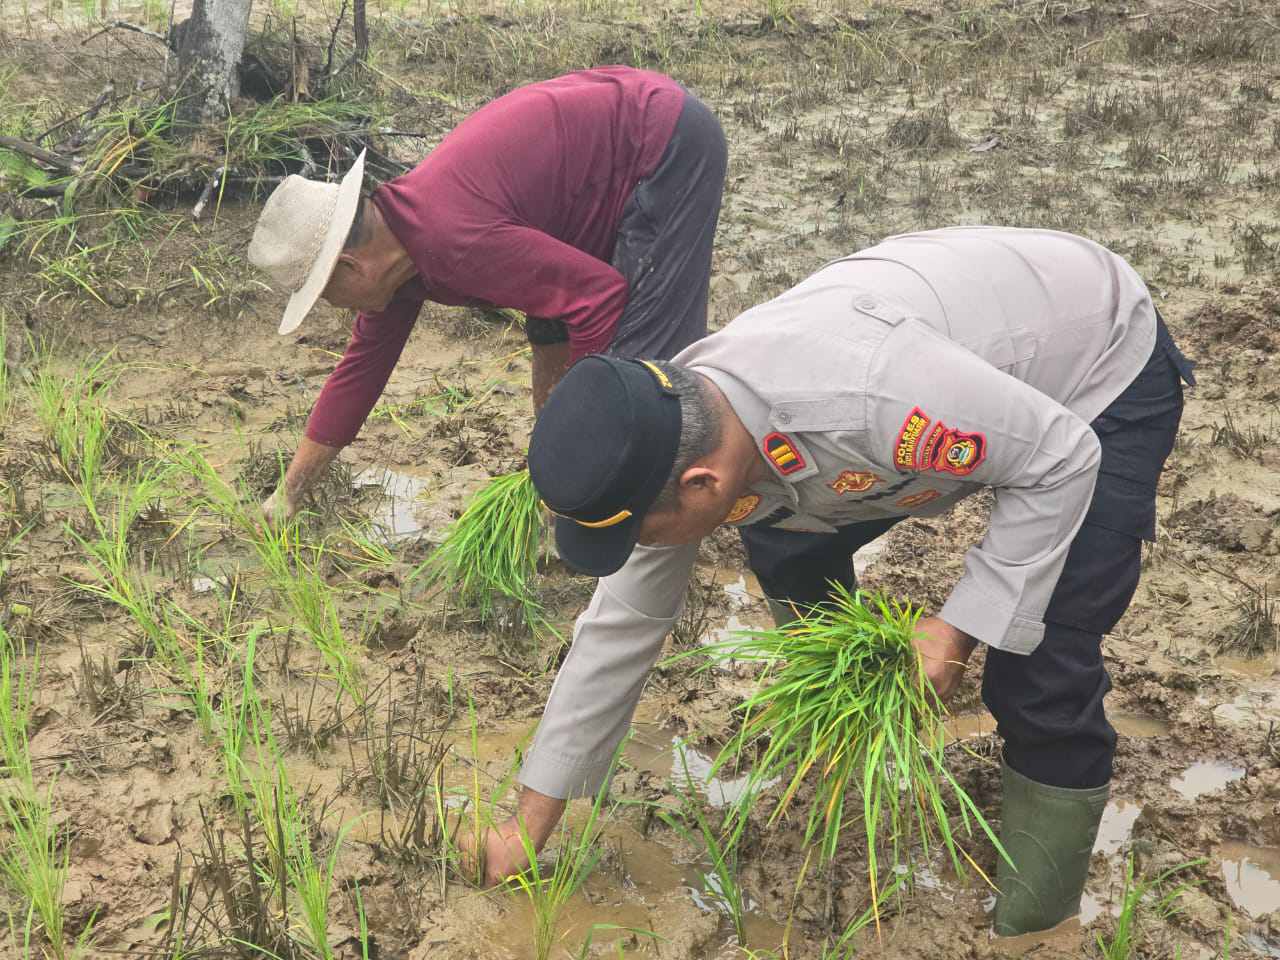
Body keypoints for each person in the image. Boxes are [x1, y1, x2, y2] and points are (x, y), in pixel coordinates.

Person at [500, 227, 1196, 937]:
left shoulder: (866, 399)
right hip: (955, 370)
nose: (640, 549)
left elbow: (1059, 458)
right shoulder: (677, 424)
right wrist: (524, 829)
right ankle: (852, 739)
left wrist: (958, 626)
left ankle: (1034, 926)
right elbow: (619, 626)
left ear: (701, 484)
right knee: (783, 543)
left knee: (1037, 661)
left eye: (639, 533)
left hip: (1094, 370)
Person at [245, 67, 726, 522]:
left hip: (660, 143)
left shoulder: (451, 240)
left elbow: (599, 300)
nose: (339, 309)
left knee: (645, 374)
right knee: (559, 325)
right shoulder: (401, 253)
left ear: (351, 265)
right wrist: (288, 494)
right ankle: (557, 492)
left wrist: (585, 426)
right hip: (585, 185)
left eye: (330, 296)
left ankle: (666, 514)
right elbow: (360, 373)